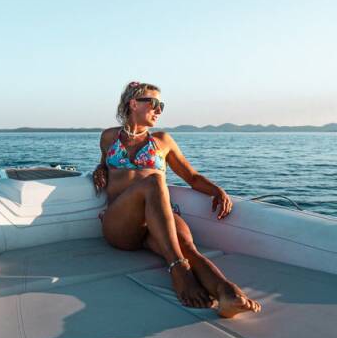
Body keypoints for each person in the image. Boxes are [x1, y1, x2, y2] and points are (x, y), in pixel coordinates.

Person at [93, 81, 262, 318]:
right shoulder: (109, 137)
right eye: (153, 103)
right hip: (121, 224)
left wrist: (217, 191)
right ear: (133, 104)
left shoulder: (163, 141)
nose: (159, 110)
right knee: (154, 181)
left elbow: (191, 177)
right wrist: (99, 170)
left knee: (189, 248)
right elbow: (104, 164)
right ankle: (179, 271)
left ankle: (227, 293)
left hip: (156, 218)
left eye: (161, 105)